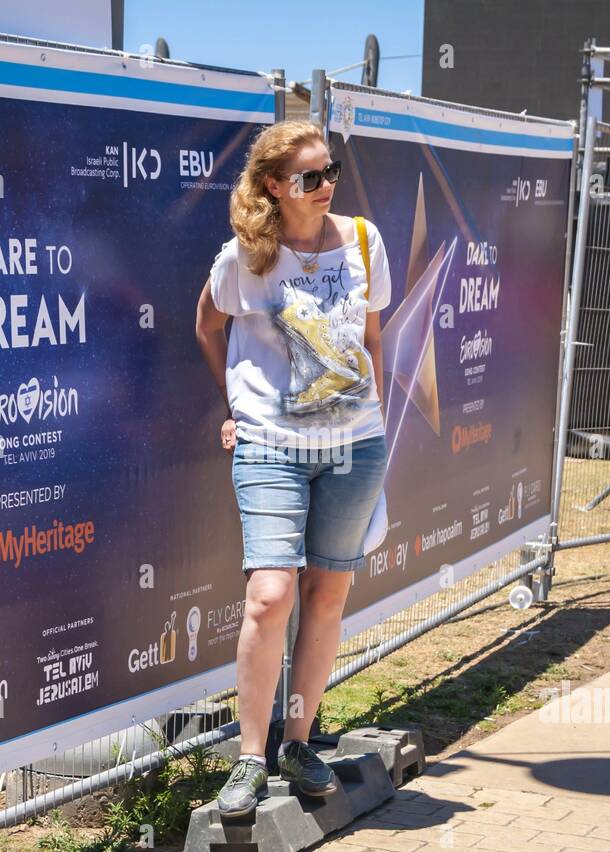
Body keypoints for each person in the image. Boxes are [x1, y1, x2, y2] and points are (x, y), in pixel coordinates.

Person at [194, 120, 391, 816]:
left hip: (354, 447)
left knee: (328, 595)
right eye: (310, 176)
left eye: (330, 170)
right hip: (270, 446)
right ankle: (251, 756)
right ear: (275, 186)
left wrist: (376, 422)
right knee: (270, 595)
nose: (326, 184)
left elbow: (372, 341)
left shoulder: (363, 241)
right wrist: (230, 406)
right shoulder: (243, 258)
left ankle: (299, 742)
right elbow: (206, 326)